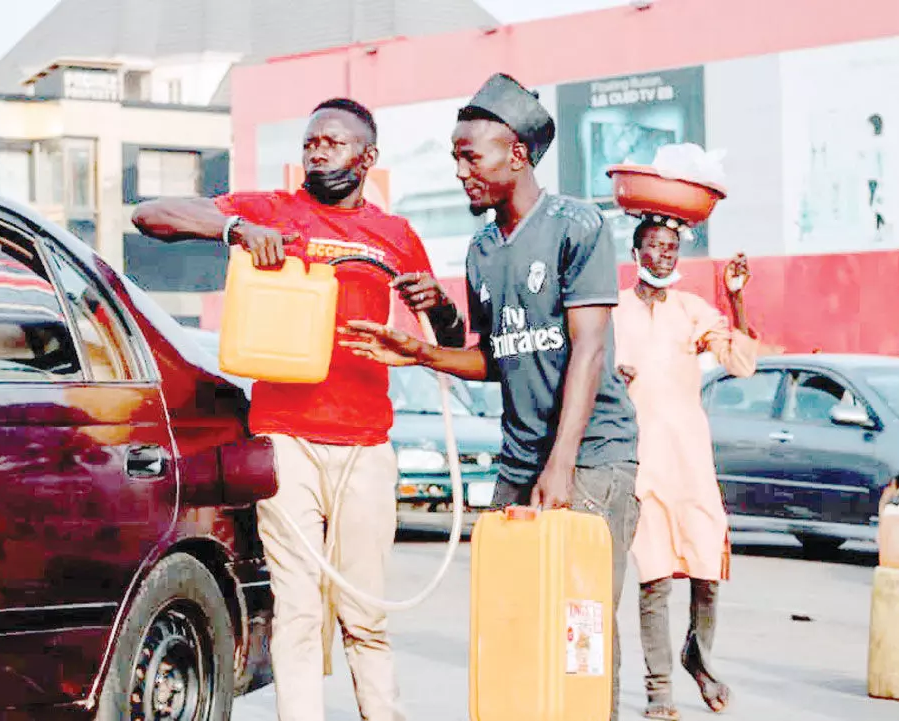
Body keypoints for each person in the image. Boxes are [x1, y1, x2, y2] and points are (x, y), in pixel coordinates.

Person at [132, 97, 465, 721]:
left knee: (365, 614)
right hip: (287, 439)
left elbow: (449, 345)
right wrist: (234, 230)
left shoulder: (395, 236)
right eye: (311, 141)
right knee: (299, 610)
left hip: (366, 446)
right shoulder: (272, 212)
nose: (317, 150)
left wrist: (439, 307)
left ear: (367, 158)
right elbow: (150, 215)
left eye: (333, 143)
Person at [339, 73, 639, 721]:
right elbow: (496, 357)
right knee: (512, 621)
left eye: (469, 156)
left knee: (577, 632)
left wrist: (560, 466)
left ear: (517, 154)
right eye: (454, 157)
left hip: (590, 460)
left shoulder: (576, 226)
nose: (459, 171)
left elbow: (588, 350)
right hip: (517, 465)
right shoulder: (479, 250)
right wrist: (420, 353)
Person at [612, 218, 757, 720]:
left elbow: (741, 362)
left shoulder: (692, 310)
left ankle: (699, 657)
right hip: (641, 459)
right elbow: (587, 368)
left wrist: (735, 298)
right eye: (654, 245)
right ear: (636, 252)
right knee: (653, 577)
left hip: (690, 460)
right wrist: (613, 374)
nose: (664, 254)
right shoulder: (613, 313)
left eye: (672, 247)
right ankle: (658, 694)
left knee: (705, 568)